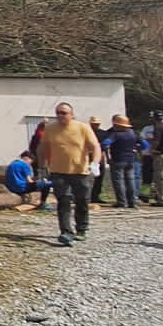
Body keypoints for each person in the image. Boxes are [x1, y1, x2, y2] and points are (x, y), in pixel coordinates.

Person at [37, 102, 101, 247]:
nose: (60, 115)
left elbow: (95, 146)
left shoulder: (82, 127)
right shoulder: (50, 128)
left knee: (82, 201)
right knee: (63, 201)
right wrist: (42, 167)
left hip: (80, 172)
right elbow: (43, 147)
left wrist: (95, 163)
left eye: (64, 113)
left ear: (71, 115)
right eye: (58, 113)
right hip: (58, 172)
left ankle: (82, 229)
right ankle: (66, 232)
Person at [101, 115, 143, 209]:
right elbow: (145, 144)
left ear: (118, 125)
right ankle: (132, 202)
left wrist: (104, 149)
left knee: (118, 181)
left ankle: (122, 202)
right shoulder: (134, 134)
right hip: (131, 160)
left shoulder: (115, 135)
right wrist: (136, 149)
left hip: (118, 160)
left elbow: (105, 143)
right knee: (130, 181)